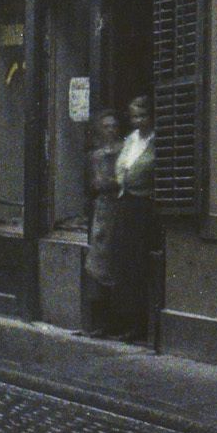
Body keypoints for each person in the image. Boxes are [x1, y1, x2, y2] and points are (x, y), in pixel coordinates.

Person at [110, 95, 156, 342]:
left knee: (138, 265)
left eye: (142, 116)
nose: (138, 121)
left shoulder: (156, 141)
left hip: (144, 209)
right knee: (123, 264)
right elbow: (121, 168)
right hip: (124, 205)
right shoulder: (130, 140)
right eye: (134, 116)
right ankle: (124, 320)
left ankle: (139, 324)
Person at [85, 110, 122, 336]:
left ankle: (116, 321)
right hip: (102, 211)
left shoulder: (124, 150)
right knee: (98, 264)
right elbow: (93, 183)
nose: (111, 130)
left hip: (119, 209)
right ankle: (99, 322)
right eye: (106, 127)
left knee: (116, 263)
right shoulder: (95, 155)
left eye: (114, 126)